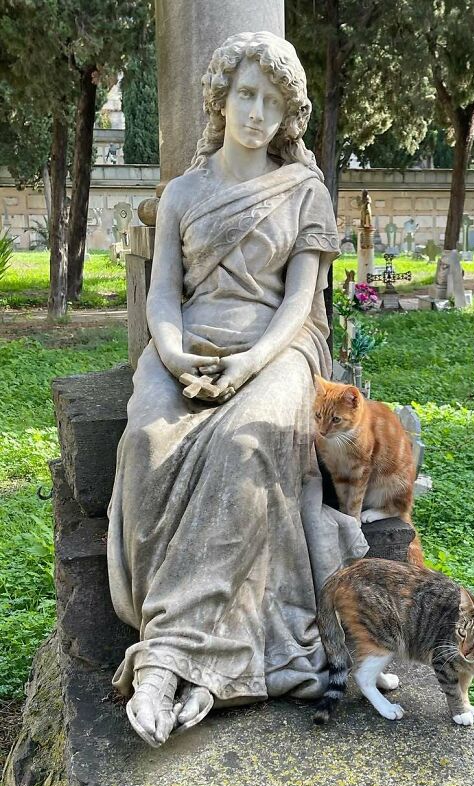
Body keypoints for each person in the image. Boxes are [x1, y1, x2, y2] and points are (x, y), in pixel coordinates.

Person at [107, 32, 366, 748]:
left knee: (246, 446)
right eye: (246, 95)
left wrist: (251, 363)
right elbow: (162, 296)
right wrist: (172, 350)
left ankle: (174, 659)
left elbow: (299, 305)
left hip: (277, 350)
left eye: (273, 103)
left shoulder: (305, 192)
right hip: (188, 343)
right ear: (220, 99)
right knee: (146, 441)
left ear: (289, 117)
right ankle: (176, 638)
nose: (257, 113)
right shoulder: (183, 194)